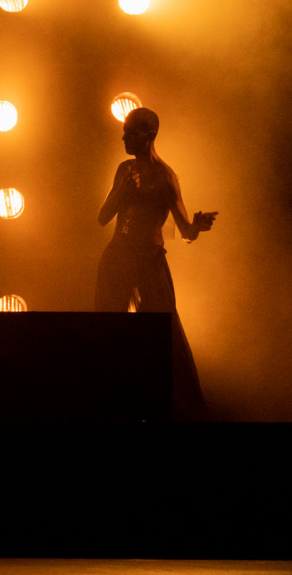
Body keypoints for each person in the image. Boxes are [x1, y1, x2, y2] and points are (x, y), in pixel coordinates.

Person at [96, 107, 218, 420]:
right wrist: (121, 193)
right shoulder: (124, 170)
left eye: (130, 131)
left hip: (150, 262)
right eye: (124, 131)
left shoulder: (166, 178)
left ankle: (171, 407)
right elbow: (102, 217)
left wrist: (197, 226)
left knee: (162, 334)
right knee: (109, 330)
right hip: (117, 258)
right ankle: (109, 402)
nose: (123, 136)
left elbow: (185, 231)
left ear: (149, 134)